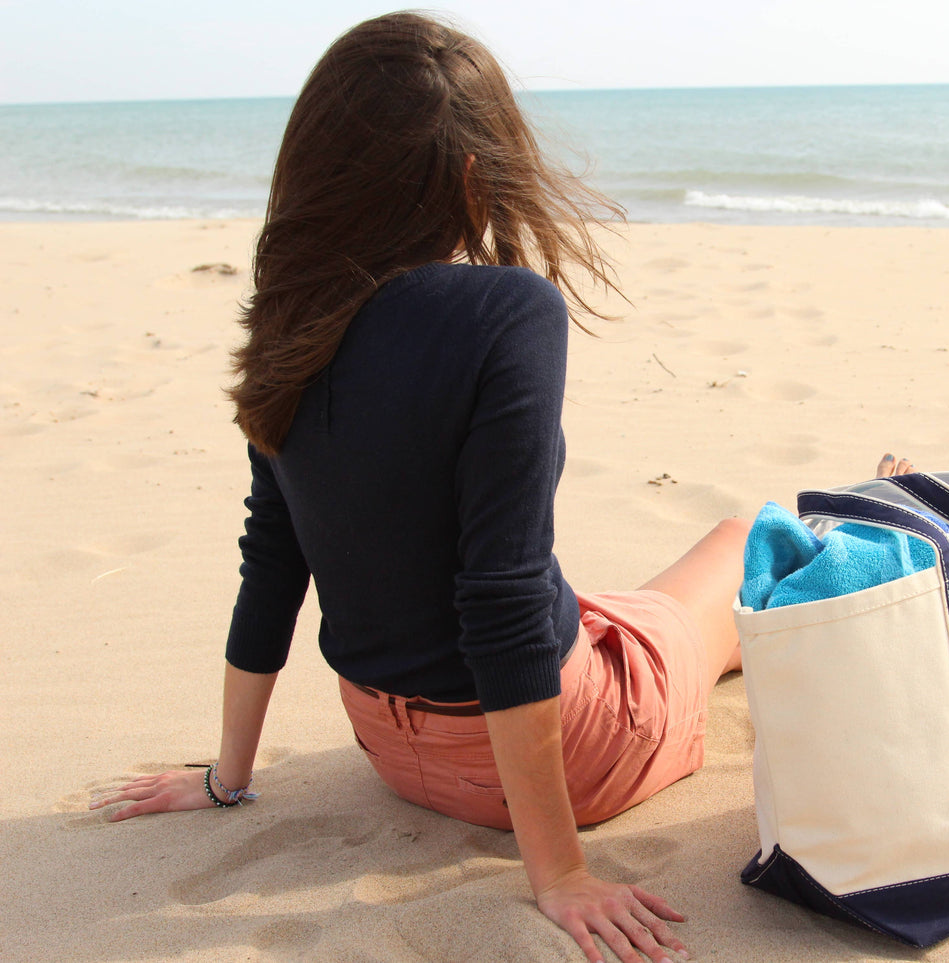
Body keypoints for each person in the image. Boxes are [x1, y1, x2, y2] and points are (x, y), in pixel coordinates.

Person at [89, 13, 742, 963]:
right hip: (564, 753)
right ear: (475, 177)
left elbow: (272, 561)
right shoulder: (507, 311)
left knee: (626, 607)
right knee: (741, 543)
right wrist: (558, 872)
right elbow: (501, 597)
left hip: (391, 749)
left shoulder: (292, 321)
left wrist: (228, 778)